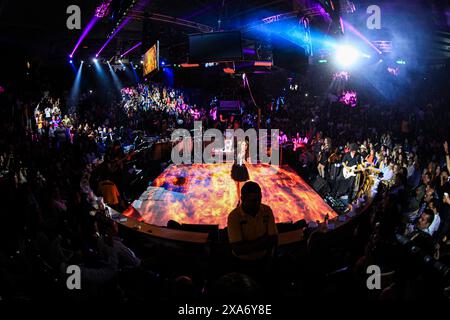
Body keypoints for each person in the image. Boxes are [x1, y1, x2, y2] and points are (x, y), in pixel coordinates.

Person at [227, 181, 278, 264]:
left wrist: (248, 246)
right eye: (253, 201)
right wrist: (264, 240)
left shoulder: (267, 210)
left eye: (259, 199)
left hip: (264, 259)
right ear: (243, 199)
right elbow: (238, 250)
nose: (257, 203)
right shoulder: (234, 216)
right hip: (241, 262)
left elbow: (273, 239)